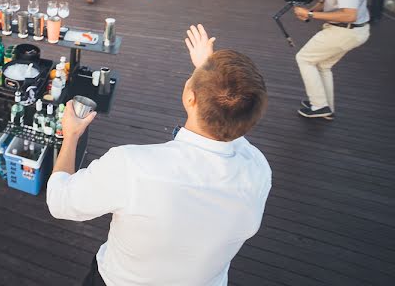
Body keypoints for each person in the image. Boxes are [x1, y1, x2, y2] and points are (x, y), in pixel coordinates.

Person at [47, 24, 271, 286]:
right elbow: (230, 117)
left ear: (189, 97)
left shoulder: (133, 167)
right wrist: (208, 69)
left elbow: (60, 201)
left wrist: (71, 134)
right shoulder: (257, 169)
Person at [293, 0, 370, 120]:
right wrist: (311, 11)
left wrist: (311, 14)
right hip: (352, 31)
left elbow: (350, 15)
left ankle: (319, 106)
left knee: (304, 58)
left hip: (347, 31)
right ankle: (325, 106)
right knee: (323, 65)